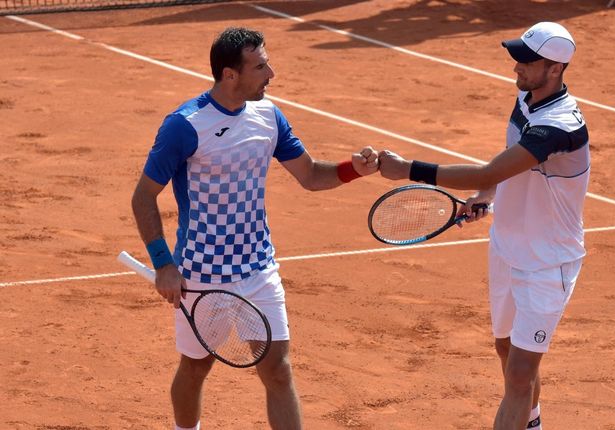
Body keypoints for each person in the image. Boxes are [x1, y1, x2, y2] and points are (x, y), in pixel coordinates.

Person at [130, 27, 378, 430]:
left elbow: (312, 175)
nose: (271, 73)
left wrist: (354, 170)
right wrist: (164, 264)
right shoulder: (185, 125)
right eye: (260, 66)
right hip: (203, 275)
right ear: (230, 75)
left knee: (278, 369)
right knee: (196, 366)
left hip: (259, 269)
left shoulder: (268, 115)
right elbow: (143, 197)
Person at [378, 22, 589, 430]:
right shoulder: (526, 100)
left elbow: (491, 167)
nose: (516, 68)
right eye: (517, 58)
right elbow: (506, 163)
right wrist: (486, 195)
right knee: (507, 349)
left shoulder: (560, 125)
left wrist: (409, 169)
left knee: (520, 376)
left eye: (527, 62)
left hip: (547, 262)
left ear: (555, 69)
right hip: (507, 248)